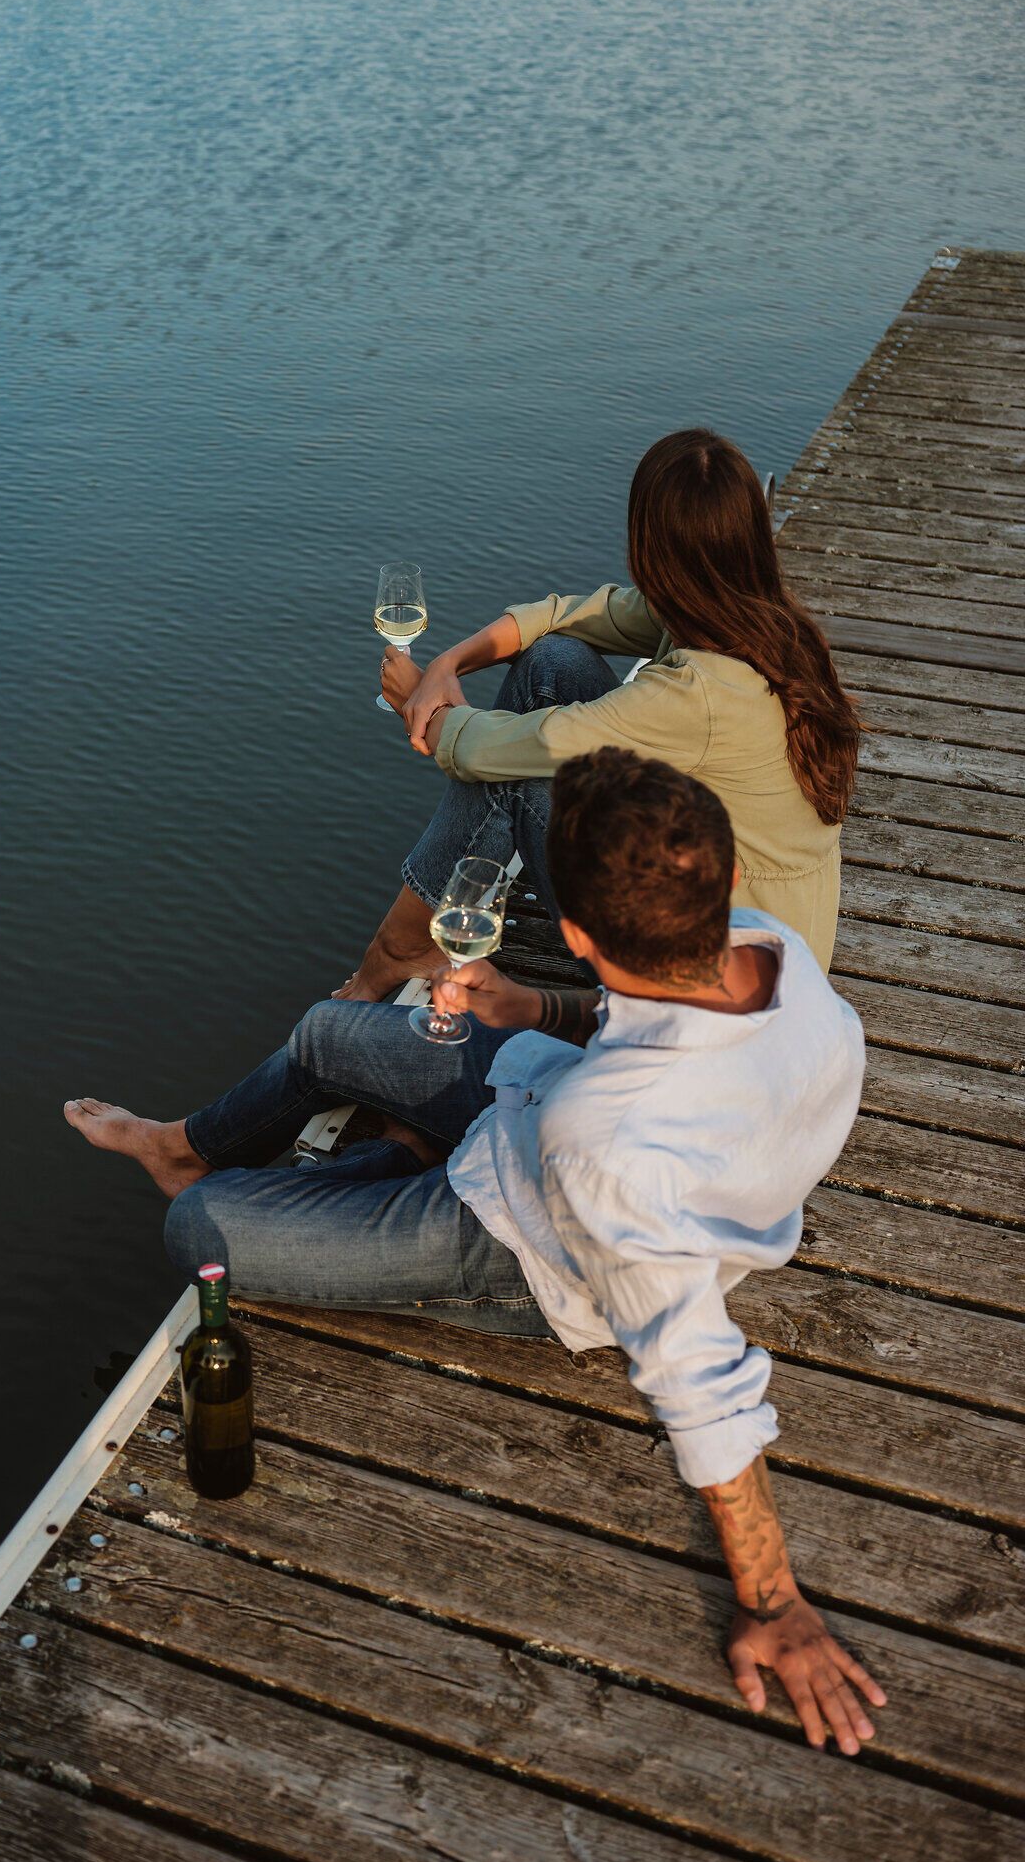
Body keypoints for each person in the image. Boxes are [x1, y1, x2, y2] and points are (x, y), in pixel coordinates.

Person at [65, 747, 883, 1754]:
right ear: (727, 877)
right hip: (543, 1104)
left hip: (533, 1252)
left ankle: (396, 1162)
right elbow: (633, 1008)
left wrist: (774, 1601)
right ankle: (182, 1146)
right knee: (329, 1032)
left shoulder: (613, 1138)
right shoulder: (769, 946)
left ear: (576, 934)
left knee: (202, 1231)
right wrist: (531, 1007)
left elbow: (697, 1373)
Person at [340, 427, 861, 999]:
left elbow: (508, 747)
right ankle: (416, 938)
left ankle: (398, 949)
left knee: (513, 778)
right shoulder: (754, 616)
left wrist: (419, 700)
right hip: (766, 918)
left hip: (721, 968)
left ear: (648, 546)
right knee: (553, 661)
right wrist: (450, 663)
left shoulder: (702, 694)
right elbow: (575, 615)